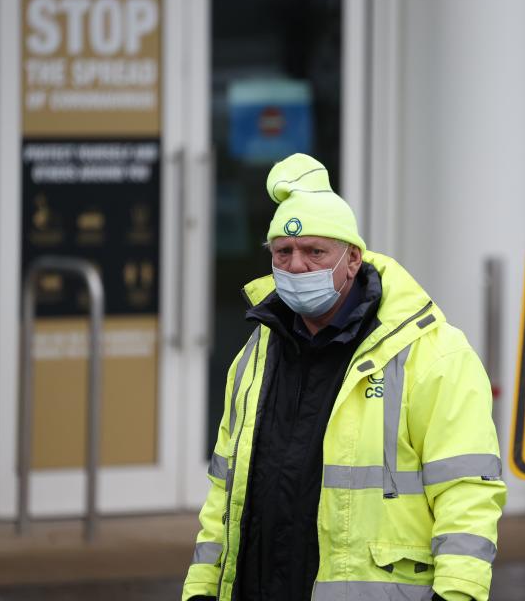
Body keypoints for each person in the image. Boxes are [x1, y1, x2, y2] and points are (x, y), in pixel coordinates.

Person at [182, 153, 506, 601]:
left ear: (352, 258)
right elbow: (224, 492)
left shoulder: (432, 354)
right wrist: (200, 588)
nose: (296, 266)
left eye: (316, 251)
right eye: (284, 252)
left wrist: (459, 594)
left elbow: (466, 492)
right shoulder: (255, 354)